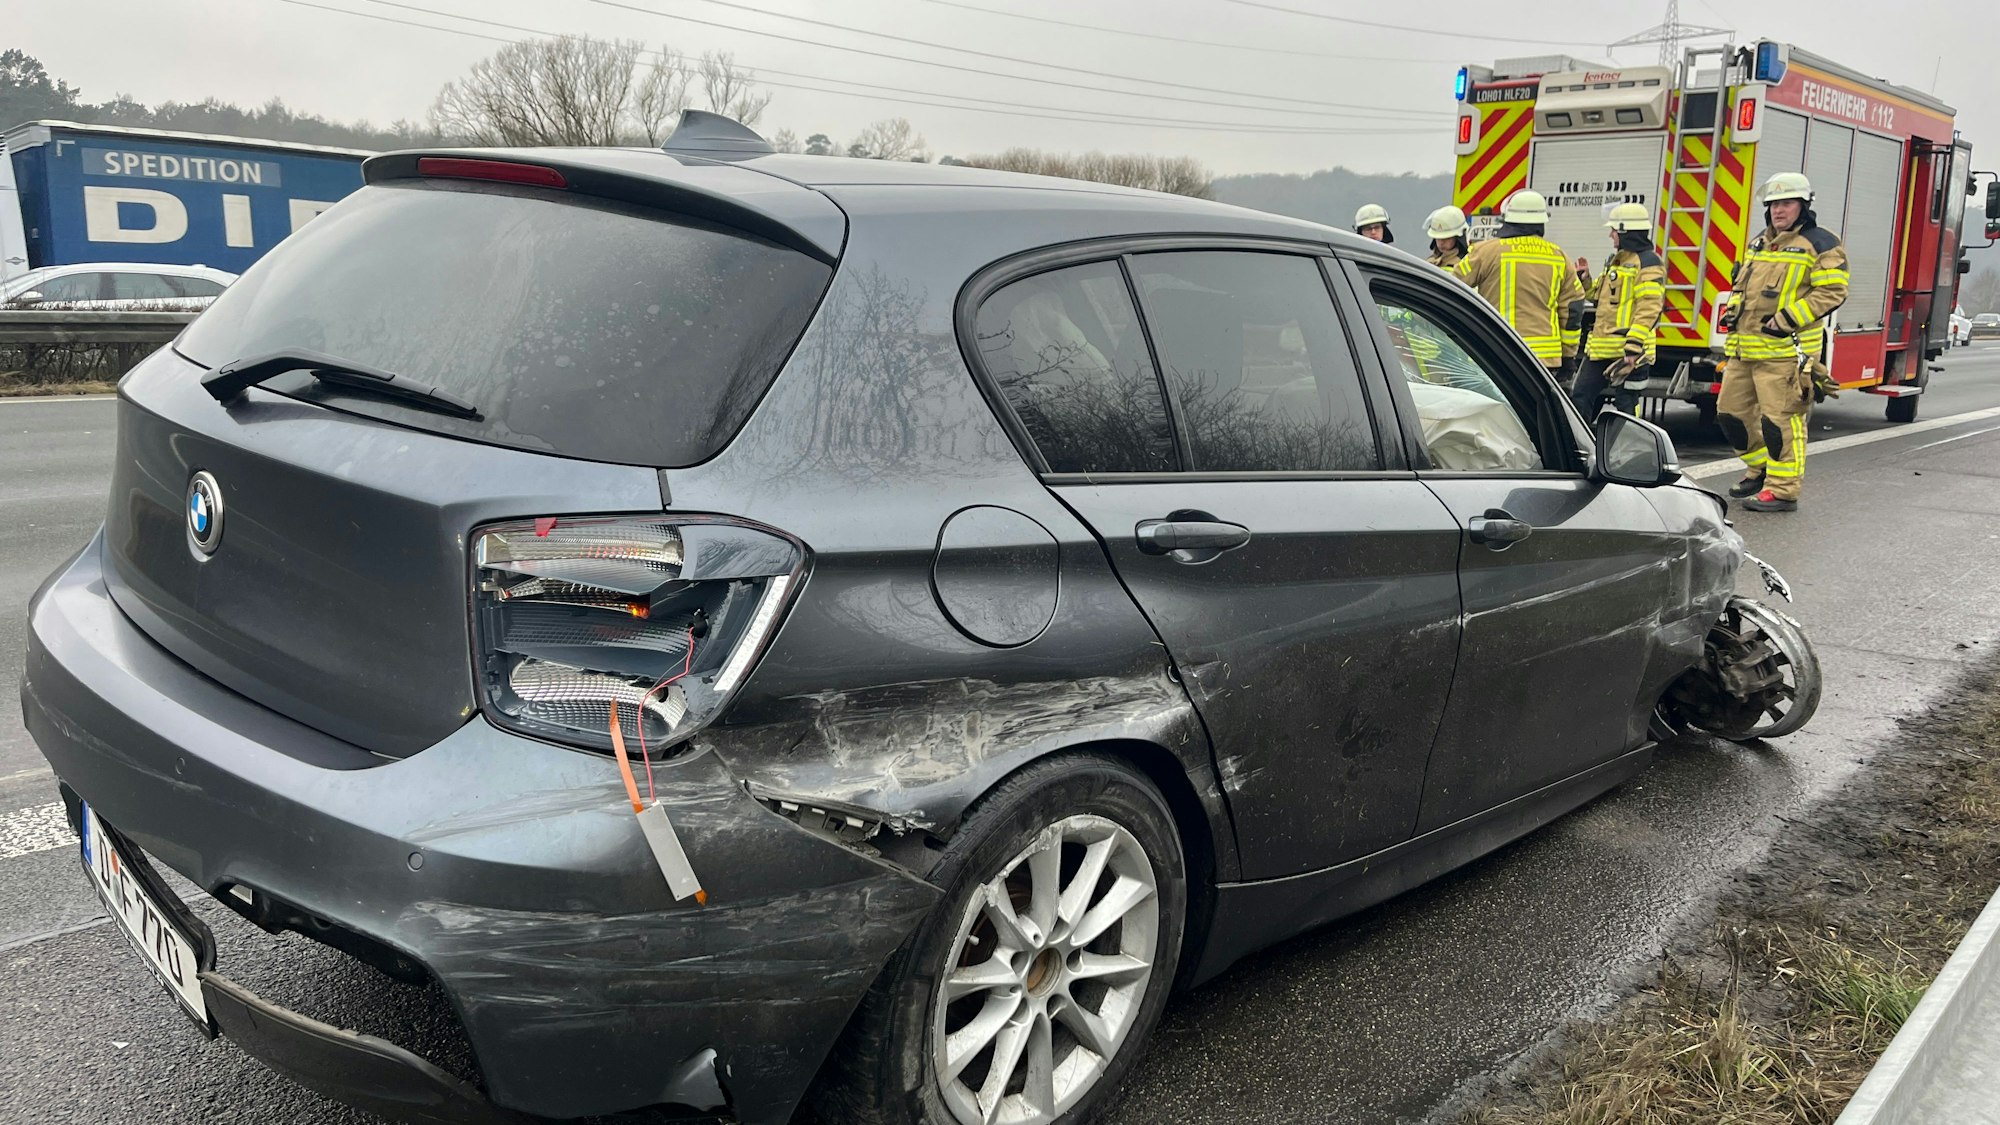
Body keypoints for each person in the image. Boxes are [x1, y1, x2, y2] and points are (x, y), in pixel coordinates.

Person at [1716, 171, 1848, 512]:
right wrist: (1732, 312)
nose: (1778, 209)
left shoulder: (1821, 243)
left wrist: (1787, 319)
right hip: (1744, 349)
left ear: (1803, 206)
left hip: (1786, 353)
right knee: (1730, 414)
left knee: (1780, 421)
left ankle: (1783, 489)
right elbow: (1743, 287)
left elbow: (1832, 291)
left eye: (1787, 203)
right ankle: (1760, 469)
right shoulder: (1759, 242)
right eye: (1773, 203)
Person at [1455, 189, 1585, 378]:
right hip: (1542, 360)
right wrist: (1568, 356)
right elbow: (1573, 309)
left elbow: (1452, 286)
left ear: (1507, 220)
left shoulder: (1485, 252)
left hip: (1495, 352)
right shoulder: (1559, 257)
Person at [1570, 202, 1665, 415]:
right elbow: (1600, 298)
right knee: (1579, 398)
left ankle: (1629, 439)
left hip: (1631, 353)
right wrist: (1585, 280)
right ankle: (1577, 438)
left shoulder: (1648, 263)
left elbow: (1649, 308)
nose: (1610, 235)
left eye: (1613, 230)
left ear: (1625, 231)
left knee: (1626, 406)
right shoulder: (1617, 261)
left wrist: (1633, 347)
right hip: (1602, 349)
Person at [1424, 205, 1469, 269]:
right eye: (1437, 238)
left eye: (1446, 238)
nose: (1441, 243)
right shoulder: (1431, 261)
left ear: (1458, 238)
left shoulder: (1463, 265)